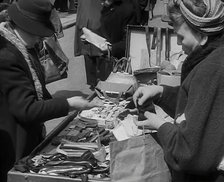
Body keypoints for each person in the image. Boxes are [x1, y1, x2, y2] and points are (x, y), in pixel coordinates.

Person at [0, 0, 101, 181]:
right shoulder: (7, 56)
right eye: (39, 32)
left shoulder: (24, 46)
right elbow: (26, 109)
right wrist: (69, 103)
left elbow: (37, 89)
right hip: (14, 145)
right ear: (25, 27)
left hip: (29, 136)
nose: (42, 37)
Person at [133, 0, 224, 181]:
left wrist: (159, 125)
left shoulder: (211, 70)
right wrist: (161, 93)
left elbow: (189, 154)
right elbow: (200, 107)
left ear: (202, 34)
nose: (179, 44)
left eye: (181, 37)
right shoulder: (214, 58)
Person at [79, 0, 139, 89]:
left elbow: (131, 40)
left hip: (123, 65)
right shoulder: (109, 7)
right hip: (108, 62)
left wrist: (111, 48)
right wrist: (91, 36)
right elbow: (105, 29)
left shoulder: (129, 8)